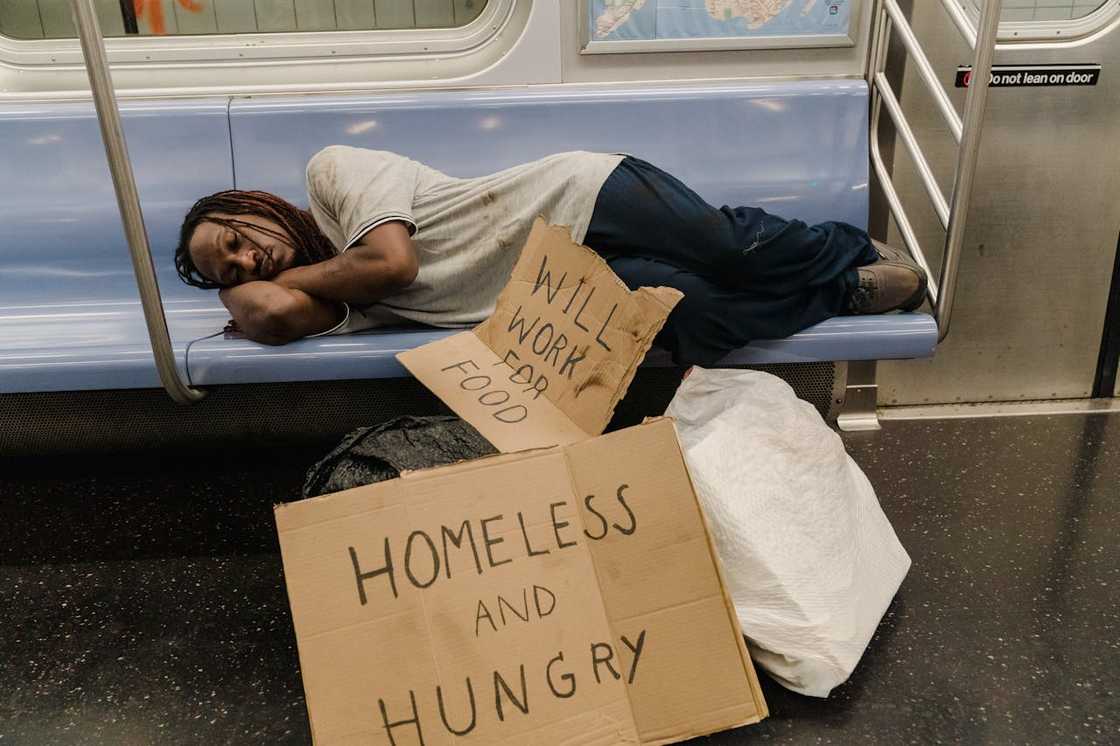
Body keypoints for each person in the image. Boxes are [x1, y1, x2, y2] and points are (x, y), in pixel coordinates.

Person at [175, 146, 926, 366]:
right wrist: (236, 292)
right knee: (697, 316)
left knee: (728, 250)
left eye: (236, 241)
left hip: (575, 193)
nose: (248, 265)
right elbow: (269, 312)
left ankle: (846, 247)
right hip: (557, 282)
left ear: (254, 205)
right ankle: (842, 291)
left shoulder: (332, 176)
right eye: (228, 272)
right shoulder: (320, 293)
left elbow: (393, 267)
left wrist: (303, 273)